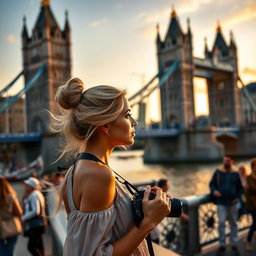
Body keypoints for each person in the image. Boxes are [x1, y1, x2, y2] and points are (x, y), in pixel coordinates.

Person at [52, 78, 170, 256]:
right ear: (106, 124)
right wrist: (148, 223)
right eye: (127, 114)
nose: (134, 122)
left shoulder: (76, 170)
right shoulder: (98, 175)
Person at [209, 155, 243, 255]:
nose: (226, 162)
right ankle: (222, 244)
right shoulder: (218, 171)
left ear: (232, 161)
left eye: (228, 161)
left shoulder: (236, 173)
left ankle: (234, 244)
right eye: (224, 160)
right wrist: (214, 191)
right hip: (221, 202)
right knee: (221, 223)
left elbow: (240, 188)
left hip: (233, 202)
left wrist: (237, 197)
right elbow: (212, 184)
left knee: (234, 223)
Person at [150, 179, 189, 244]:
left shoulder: (157, 195)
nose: (169, 186)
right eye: (167, 185)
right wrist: (182, 215)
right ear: (163, 186)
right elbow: (172, 208)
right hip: (152, 229)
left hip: (152, 226)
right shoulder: (163, 197)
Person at [21, 177, 46, 256]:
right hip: (40, 223)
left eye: (27, 185)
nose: (25, 187)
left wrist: (23, 218)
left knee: (31, 247)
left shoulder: (33, 195)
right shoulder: (37, 194)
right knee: (38, 246)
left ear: (31, 186)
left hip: (36, 224)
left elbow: (36, 211)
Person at [0, 177, 23, 256]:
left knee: (1, 249)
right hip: (12, 225)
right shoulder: (11, 197)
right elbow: (19, 212)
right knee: (10, 249)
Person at [244, 158, 256, 251]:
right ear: (252, 167)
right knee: (255, 223)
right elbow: (250, 191)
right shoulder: (248, 177)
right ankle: (248, 241)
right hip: (252, 204)